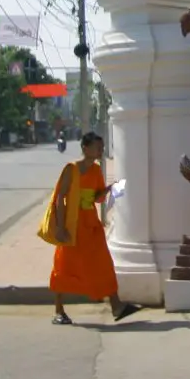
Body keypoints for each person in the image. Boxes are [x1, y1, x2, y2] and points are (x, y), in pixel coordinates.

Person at [49, 131, 138, 325]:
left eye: (102, 147)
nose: (101, 150)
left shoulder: (96, 170)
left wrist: (109, 190)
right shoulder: (71, 169)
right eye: (97, 147)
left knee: (103, 262)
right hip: (73, 224)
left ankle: (117, 306)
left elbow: (97, 198)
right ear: (85, 148)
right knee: (64, 266)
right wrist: (61, 227)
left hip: (91, 224)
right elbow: (60, 199)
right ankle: (58, 310)